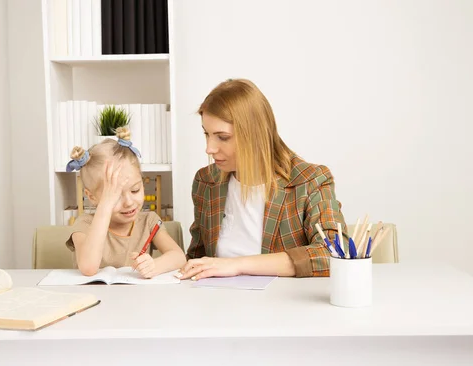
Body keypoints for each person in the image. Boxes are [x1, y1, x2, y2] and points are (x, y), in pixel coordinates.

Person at [178, 78, 348, 280]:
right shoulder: (206, 181)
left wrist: (237, 265)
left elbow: (335, 253)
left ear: (254, 135)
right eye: (207, 134)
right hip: (219, 305)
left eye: (222, 137)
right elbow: (197, 259)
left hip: (282, 306)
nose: (209, 148)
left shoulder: (309, 181)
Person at [66, 128, 186, 278]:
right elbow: (88, 268)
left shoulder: (149, 221)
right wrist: (105, 206)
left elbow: (179, 257)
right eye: (115, 197)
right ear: (92, 197)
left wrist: (154, 266)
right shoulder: (84, 224)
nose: (129, 202)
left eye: (135, 190)